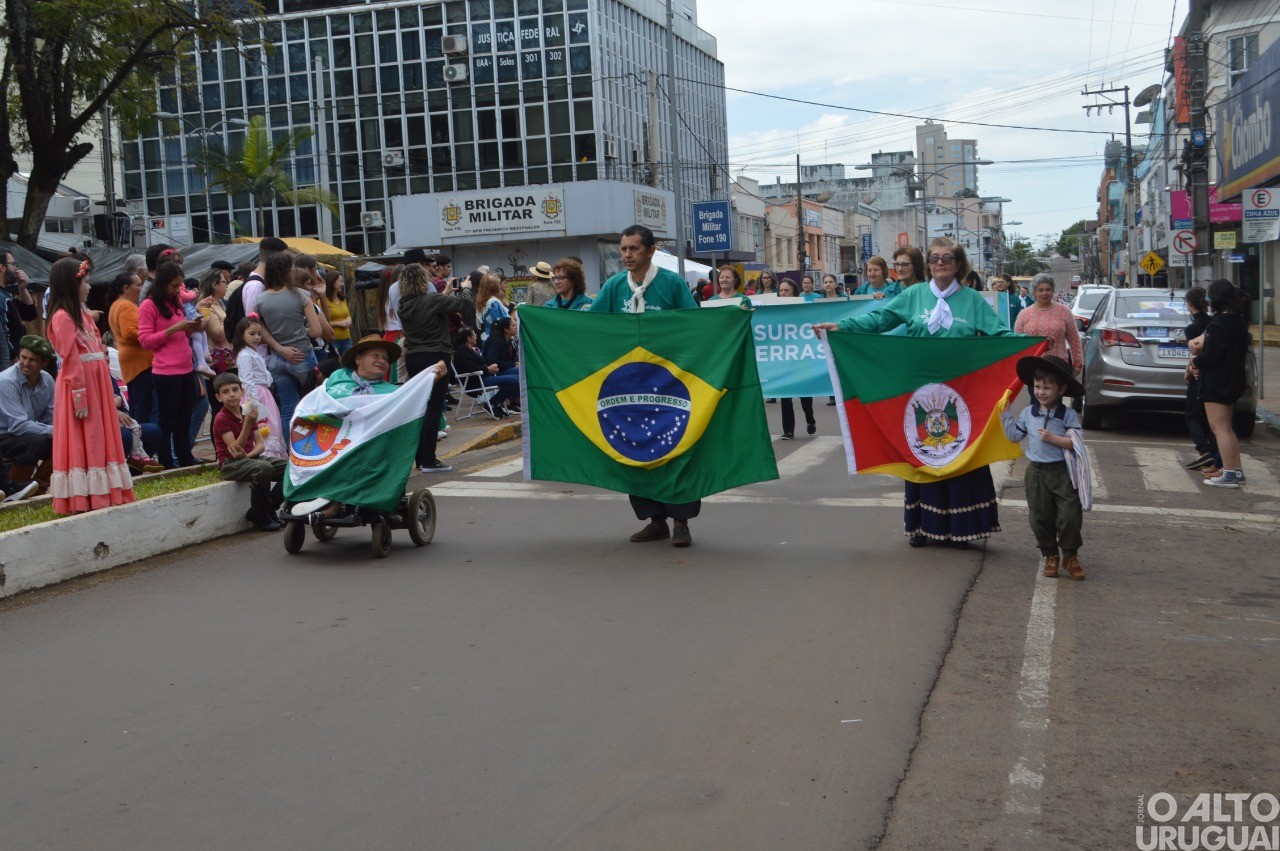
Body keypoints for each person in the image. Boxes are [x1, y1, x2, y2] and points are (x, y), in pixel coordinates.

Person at [814, 237, 1013, 548]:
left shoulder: (973, 300)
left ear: (958, 264)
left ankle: (963, 528)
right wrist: (842, 328)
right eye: (934, 258)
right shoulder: (914, 295)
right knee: (925, 452)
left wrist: (1027, 346)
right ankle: (924, 526)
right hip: (920, 391)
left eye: (947, 258)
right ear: (928, 264)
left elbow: (1000, 336)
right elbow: (880, 319)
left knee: (960, 450)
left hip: (961, 392)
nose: (940, 263)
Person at [588, 224, 700, 547]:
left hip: (670, 386)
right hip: (628, 389)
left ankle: (681, 522)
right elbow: (590, 327)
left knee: (677, 450)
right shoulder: (613, 287)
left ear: (650, 251)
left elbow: (696, 327)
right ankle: (655, 520)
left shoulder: (671, 284)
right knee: (635, 449)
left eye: (633, 249)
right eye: (623, 249)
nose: (626, 255)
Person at [45, 257, 135, 514]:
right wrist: (79, 396)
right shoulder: (62, 317)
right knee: (88, 435)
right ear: (71, 285)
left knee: (99, 435)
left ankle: (104, 492)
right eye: (85, 281)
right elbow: (70, 359)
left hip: (95, 382)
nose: (89, 286)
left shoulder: (81, 313)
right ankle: (86, 497)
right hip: (81, 385)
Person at [1001, 355, 1087, 580]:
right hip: (1036, 473)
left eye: (1047, 387)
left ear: (1061, 390)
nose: (1041, 392)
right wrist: (1005, 413)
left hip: (1062, 472)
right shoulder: (1028, 413)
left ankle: (1070, 555)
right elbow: (1014, 435)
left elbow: (1075, 444)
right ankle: (1050, 555)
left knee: (1069, 516)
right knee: (1040, 517)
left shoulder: (1067, 415)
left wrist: (1053, 439)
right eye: (1037, 387)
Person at [398, 263, 474, 473]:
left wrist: (445, 293)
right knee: (434, 406)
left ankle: (420, 459)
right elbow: (464, 304)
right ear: (424, 281)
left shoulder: (404, 304)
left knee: (421, 407)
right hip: (436, 356)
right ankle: (430, 459)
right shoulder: (433, 299)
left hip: (413, 356)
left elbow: (432, 306)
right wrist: (466, 287)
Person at [138, 262, 203, 468]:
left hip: (186, 368)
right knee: (167, 422)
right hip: (166, 372)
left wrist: (193, 326)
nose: (178, 290)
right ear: (163, 283)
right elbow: (146, 340)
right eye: (174, 286)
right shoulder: (149, 305)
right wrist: (174, 329)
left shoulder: (176, 302)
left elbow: (182, 335)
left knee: (184, 420)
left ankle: (185, 459)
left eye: (180, 286)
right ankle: (166, 461)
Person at [1190, 279, 1251, 488]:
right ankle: (1235, 469)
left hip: (1218, 381)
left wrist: (1195, 361)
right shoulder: (1238, 321)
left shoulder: (1220, 323)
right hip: (1234, 379)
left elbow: (1213, 354)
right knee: (1228, 428)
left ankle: (1230, 474)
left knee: (1220, 428)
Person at [210, 372, 285, 532]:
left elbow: (260, 445)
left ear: (242, 392)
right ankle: (261, 516)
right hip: (231, 465)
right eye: (225, 392)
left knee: (292, 467)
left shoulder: (248, 410)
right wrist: (247, 424)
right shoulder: (221, 418)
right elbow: (236, 451)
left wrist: (249, 456)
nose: (231, 395)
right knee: (263, 467)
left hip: (251, 459)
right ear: (218, 397)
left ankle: (267, 507)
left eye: (234, 390)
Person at [257, 251, 322, 429]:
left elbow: (257, 329)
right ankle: (312, 451)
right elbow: (317, 331)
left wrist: (279, 347)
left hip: (277, 359)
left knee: (287, 407)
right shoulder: (301, 295)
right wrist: (302, 332)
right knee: (311, 405)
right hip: (302, 355)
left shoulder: (260, 300)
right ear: (287, 271)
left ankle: (289, 451)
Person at [0, 334, 56, 499]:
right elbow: (17, 426)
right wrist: (57, 430)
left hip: (24, 434)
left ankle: (38, 487)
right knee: (36, 440)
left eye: (32, 360)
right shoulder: (7, 381)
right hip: (5, 435)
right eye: (23, 357)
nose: (25, 363)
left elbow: (50, 419)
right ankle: (13, 488)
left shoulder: (48, 381)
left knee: (64, 440)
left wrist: (60, 432)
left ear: (44, 362)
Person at [231, 317, 287, 459]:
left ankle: (275, 458)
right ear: (241, 334)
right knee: (263, 428)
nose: (256, 337)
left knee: (273, 427)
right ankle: (266, 457)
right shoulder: (244, 354)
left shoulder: (253, 352)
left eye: (259, 334)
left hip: (264, 394)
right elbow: (247, 381)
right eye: (252, 334)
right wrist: (255, 405)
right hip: (256, 395)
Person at [107, 270, 156, 425]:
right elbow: (129, 333)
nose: (141, 287)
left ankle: (140, 439)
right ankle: (144, 441)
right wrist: (153, 334)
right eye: (138, 284)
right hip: (139, 362)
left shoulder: (117, 305)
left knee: (138, 405)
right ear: (126, 288)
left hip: (132, 360)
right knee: (144, 407)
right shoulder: (125, 305)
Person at [1013, 273, 1082, 377]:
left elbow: (1074, 339)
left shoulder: (1064, 311)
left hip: (1058, 367)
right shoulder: (1023, 314)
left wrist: (1077, 362)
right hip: (1033, 368)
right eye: (1040, 290)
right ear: (1034, 293)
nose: (1045, 293)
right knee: (1036, 393)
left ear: (1053, 291)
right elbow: (1018, 343)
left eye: (1048, 289)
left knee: (1055, 393)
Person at [1180, 286, 1218, 472]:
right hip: (1214, 373)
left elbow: (1195, 353)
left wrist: (1188, 371)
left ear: (1189, 304)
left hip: (1198, 373)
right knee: (1211, 417)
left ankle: (1204, 450)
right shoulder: (1213, 322)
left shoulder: (1192, 328)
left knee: (1192, 414)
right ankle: (1214, 451)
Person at [776, 279, 816, 439]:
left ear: (794, 293)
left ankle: (810, 419)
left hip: (801, 357)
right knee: (785, 394)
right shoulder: (774, 312)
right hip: (782, 357)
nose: (783, 293)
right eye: (781, 291)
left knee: (804, 394)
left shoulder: (802, 310)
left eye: (787, 290)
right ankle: (788, 430)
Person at [453, 327, 520, 416]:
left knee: (517, 379)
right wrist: (487, 369)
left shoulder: (470, 349)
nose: (476, 336)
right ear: (469, 338)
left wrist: (490, 367)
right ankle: (492, 404)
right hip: (475, 381)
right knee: (515, 380)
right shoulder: (462, 350)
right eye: (474, 334)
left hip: (483, 377)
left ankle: (497, 404)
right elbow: (471, 367)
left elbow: (481, 363)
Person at [324, 270, 353, 357]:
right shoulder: (323, 300)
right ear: (332, 282)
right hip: (333, 341)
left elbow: (348, 315)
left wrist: (349, 320)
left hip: (347, 339)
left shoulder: (342, 299)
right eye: (340, 281)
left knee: (348, 365)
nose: (343, 284)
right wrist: (339, 323)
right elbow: (322, 323)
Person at [476, 273, 510, 342]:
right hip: (496, 339)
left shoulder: (483, 301)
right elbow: (500, 321)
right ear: (494, 287)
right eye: (498, 284)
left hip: (486, 336)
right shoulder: (493, 302)